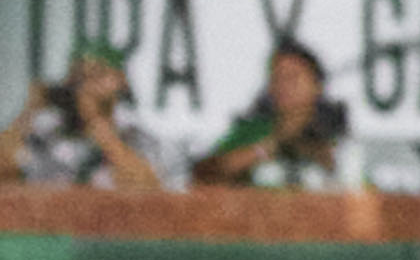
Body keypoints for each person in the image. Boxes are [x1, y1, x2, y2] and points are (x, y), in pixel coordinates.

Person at [192, 38, 358, 187]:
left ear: (317, 85)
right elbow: (202, 174)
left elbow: (358, 187)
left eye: (293, 78)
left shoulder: (335, 132)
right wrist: (262, 151)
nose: (283, 86)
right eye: (276, 78)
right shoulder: (252, 130)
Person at [0, 41, 168, 187]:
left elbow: (149, 187)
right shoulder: (50, 132)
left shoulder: (134, 134)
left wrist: (95, 121)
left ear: (121, 80)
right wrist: (29, 111)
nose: (88, 83)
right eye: (80, 76)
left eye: (99, 73)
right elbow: (5, 168)